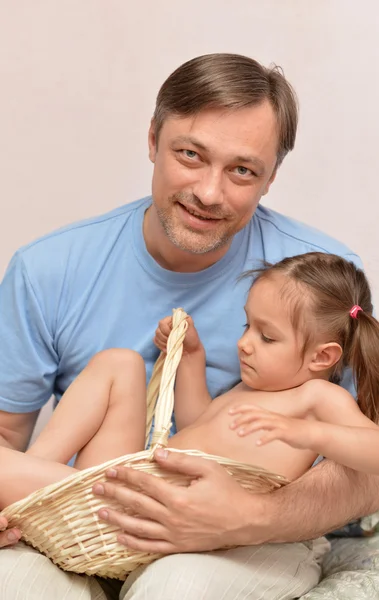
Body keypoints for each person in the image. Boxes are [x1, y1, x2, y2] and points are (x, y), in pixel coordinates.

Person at [0, 53, 375, 600]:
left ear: (271, 177)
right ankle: (45, 495)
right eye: (190, 155)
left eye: (243, 169)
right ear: (153, 140)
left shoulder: (318, 285)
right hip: (116, 499)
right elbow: (11, 428)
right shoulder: (48, 269)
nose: (209, 193)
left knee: (176, 586)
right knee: (13, 580)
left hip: (255, 532)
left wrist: (252, 515)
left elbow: (370, 472)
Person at [2, 251, 379, 514]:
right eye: (248, 326)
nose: (244, 343)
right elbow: (196, 423)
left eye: (267, 337)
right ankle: (36, 477)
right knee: (120, 362)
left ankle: (27, 485)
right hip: (126, 478)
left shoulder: (315, 398)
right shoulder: (250, 389)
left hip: (147, 507)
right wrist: (191, 355)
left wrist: (309, 435)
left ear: (322, 357)